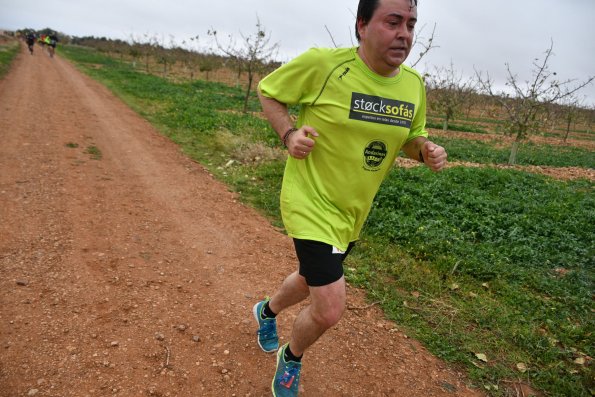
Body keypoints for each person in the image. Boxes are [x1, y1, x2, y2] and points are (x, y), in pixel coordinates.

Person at [253, 0, 447, 395]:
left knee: (310, 281)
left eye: (410, 23)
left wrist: (424, 149)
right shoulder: (324, 65)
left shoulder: (413, 85)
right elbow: (269, 92)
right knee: (329, 307)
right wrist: (289, 134)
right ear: (362, 25)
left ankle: (266, 311)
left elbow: (411, 137)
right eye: (393, 22)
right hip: (310, 200)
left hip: (352, 212)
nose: (404, 33)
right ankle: (291, 359)